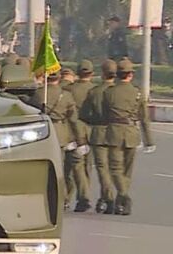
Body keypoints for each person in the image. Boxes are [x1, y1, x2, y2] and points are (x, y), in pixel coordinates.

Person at [103, 58, 155, 216]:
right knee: (127, 171)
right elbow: (144, 118)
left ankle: (123, 196)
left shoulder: (109, 92)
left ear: (117, 75)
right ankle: (122, 201)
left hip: (114, 132)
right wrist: (149, 141)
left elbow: (104, 113)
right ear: (130, 75)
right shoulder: (138, 93)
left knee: (115, 169)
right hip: (132, 133)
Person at [33, 71, 88, 210]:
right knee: (63, 168)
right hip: (62, 133)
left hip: (44, 131)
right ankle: (67, 198)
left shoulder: (38, 93)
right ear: (58, 78)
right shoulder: (66, 95)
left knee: (52, 168)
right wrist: (80, 140)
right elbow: (73, 119)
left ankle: (61, 198)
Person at [80, 59, 118, 213]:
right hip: (117, 132)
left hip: (99, 132)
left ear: (102, 73)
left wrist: (94, 120)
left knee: (102, 168)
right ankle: (110, 197)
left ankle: (108, 198)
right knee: (115, 168)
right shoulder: (119, 91)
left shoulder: (94, 92)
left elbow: (84, 114)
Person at [63, 60, 96, 212]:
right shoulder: (95, 90)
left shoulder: (68, 90)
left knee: (71, 167)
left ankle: (69, 197)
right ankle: (84, 196)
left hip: (71, 131)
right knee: (86, 166)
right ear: (92, 73)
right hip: (89, 130)